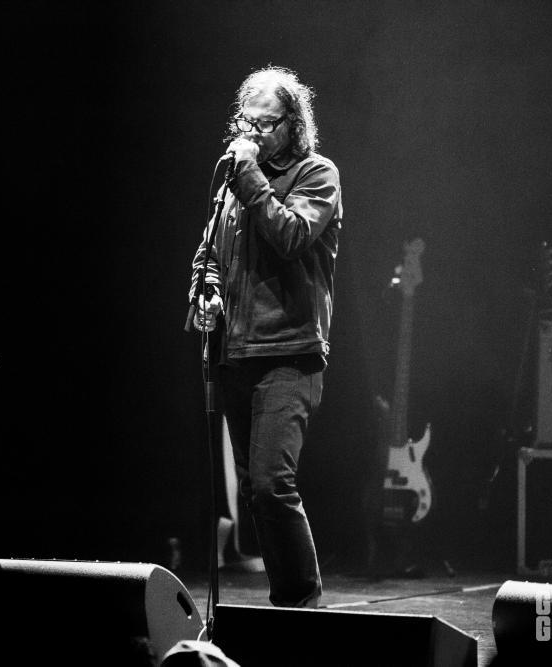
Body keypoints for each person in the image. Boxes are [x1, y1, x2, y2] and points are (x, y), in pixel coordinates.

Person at [188, 66, 342, 608]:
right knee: (255, 491)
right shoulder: (233, 185)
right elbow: (208, 253)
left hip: (289, 354)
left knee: (273, 484)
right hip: (236, 353)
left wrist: (251, 176)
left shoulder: (316, 174)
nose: (253, 133)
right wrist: (206, 292)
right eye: (246, 122)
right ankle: (287, 607)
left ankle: (303, 606)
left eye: (266, 123)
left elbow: (292, 236)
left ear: (294, 124)